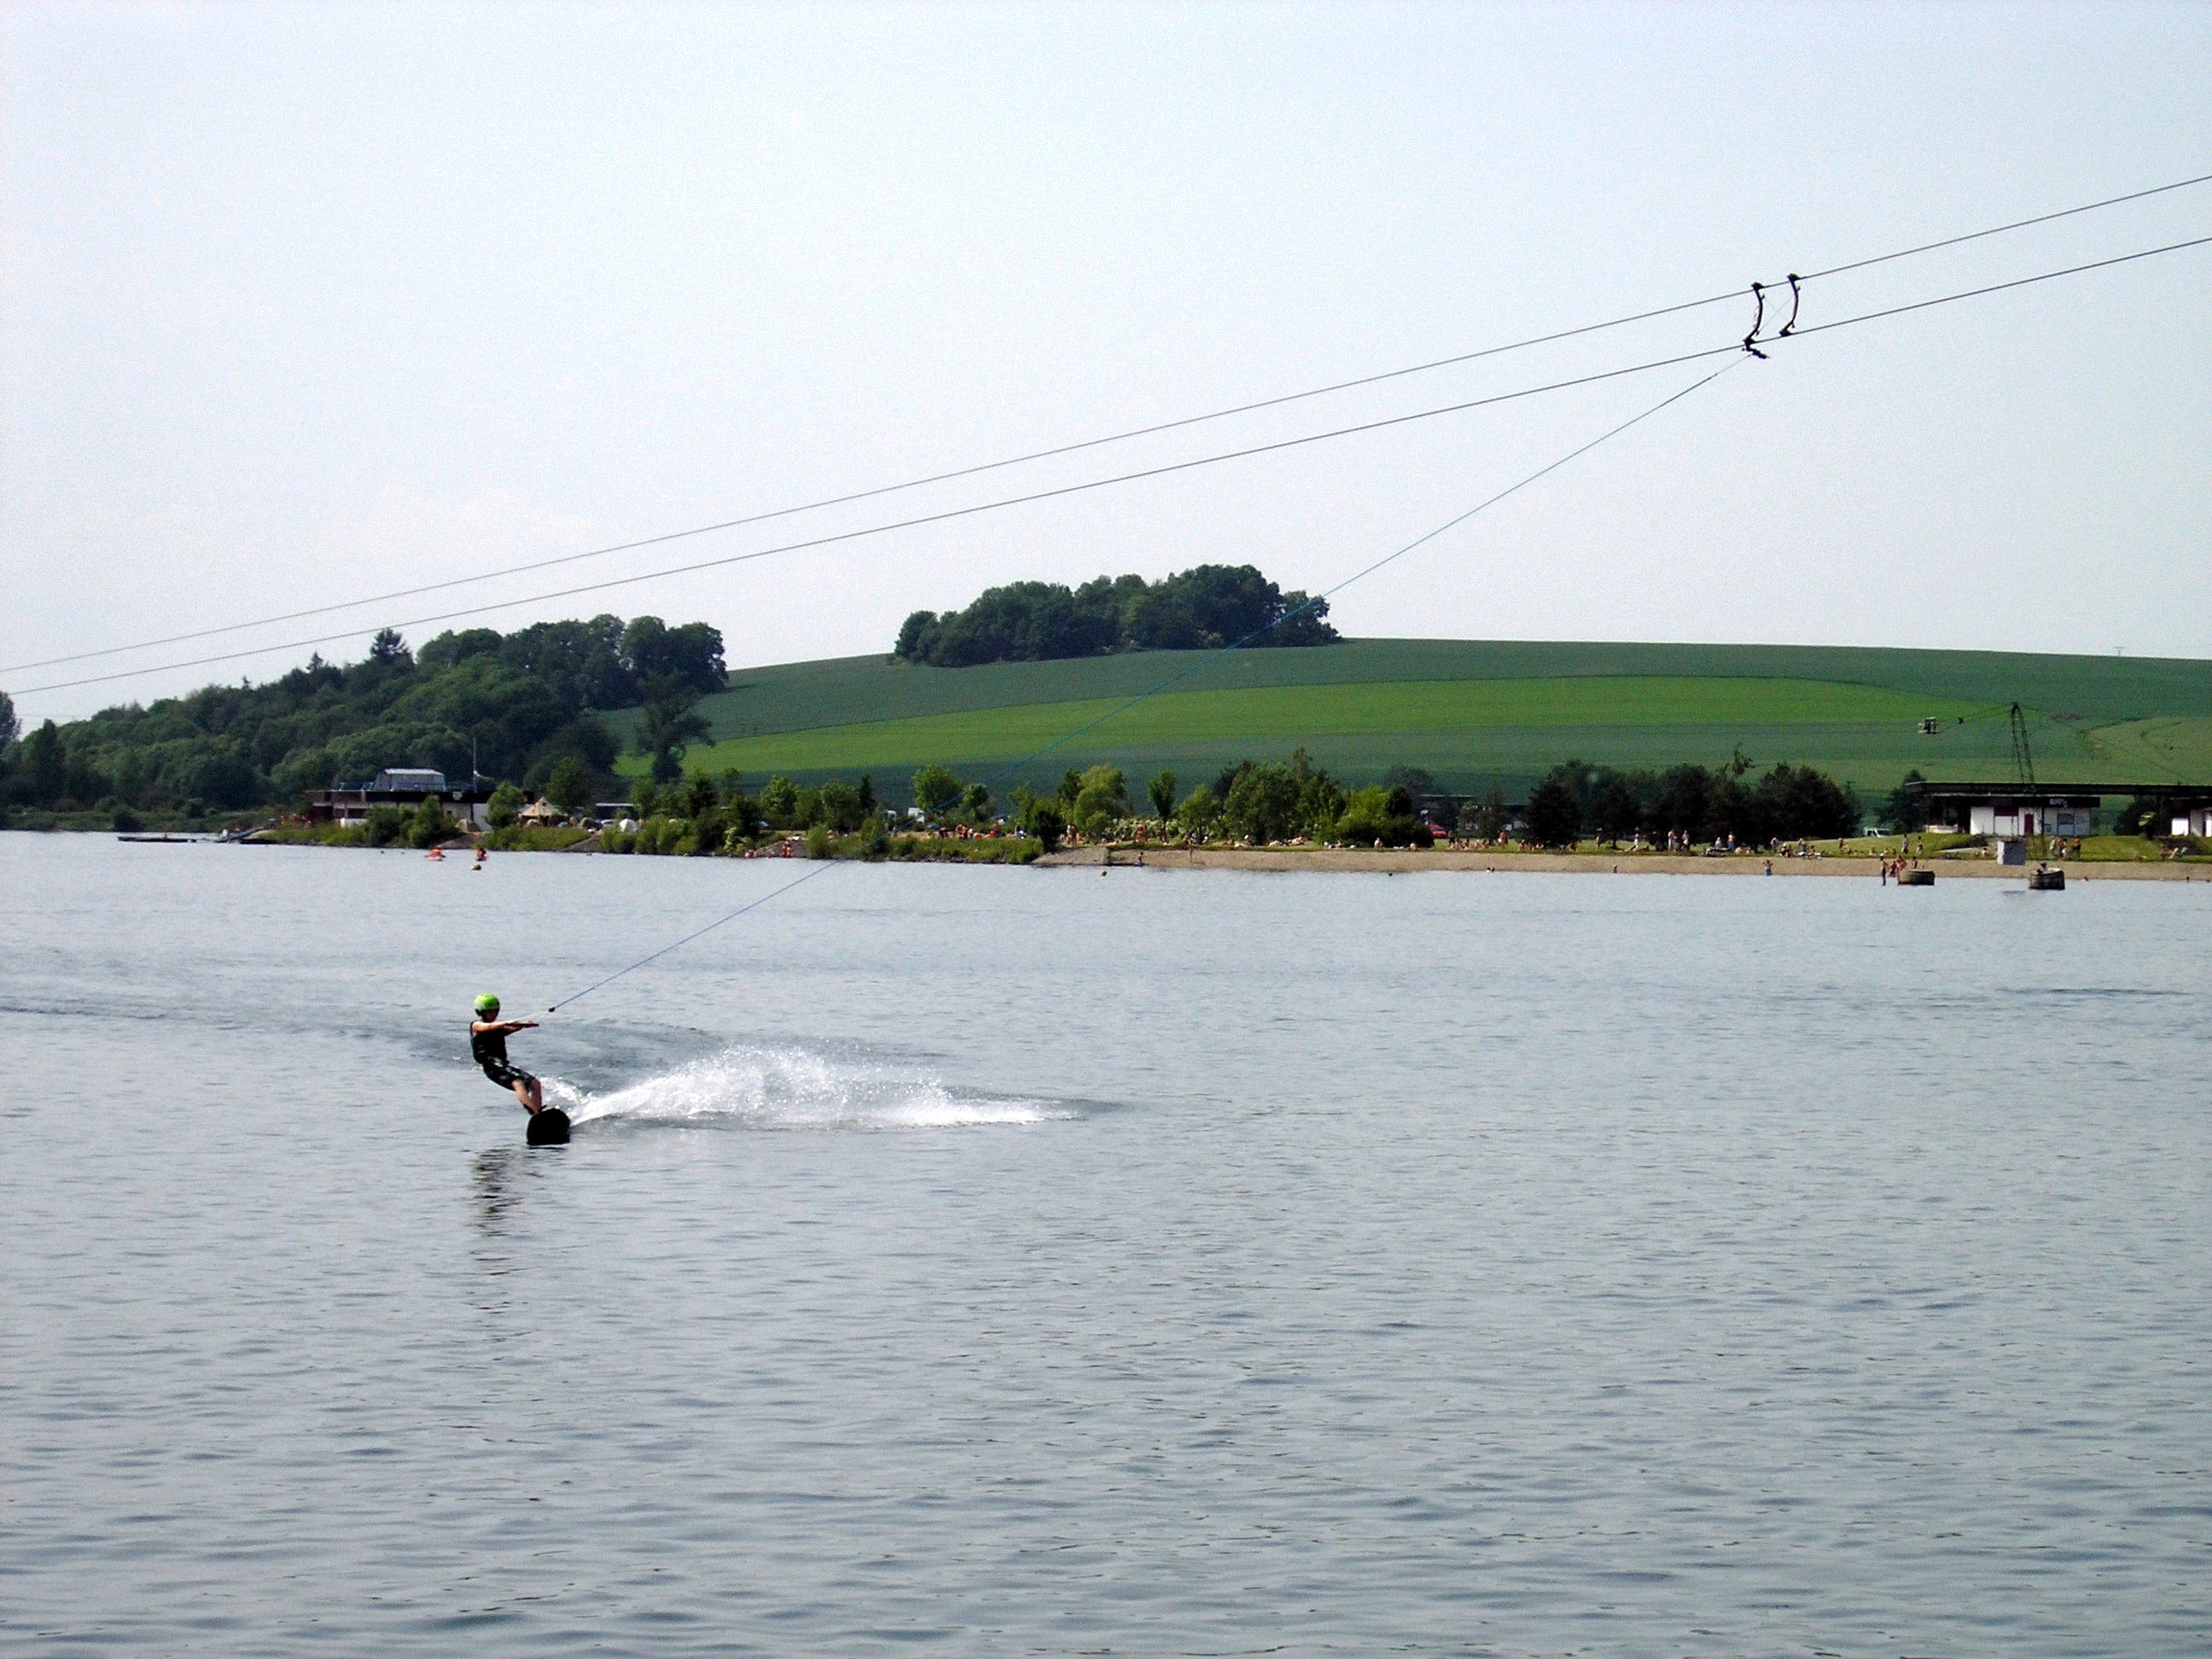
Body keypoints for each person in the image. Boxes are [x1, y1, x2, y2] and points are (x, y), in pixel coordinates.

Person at [469, 993, 543, 1115]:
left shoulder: (499, 1028)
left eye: (495, 1011)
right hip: (492, 1067)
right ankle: (534, 1113)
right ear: (481, 1013)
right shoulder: (476, 1026)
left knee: (535, 1084)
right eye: (489, 1012)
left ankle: (539, 1113)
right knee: (518, 1082)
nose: (493, 1014)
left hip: (502, 1065)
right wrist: (506, 1022)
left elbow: (509, 1029)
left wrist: (524, 1025)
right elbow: (489, 1027)